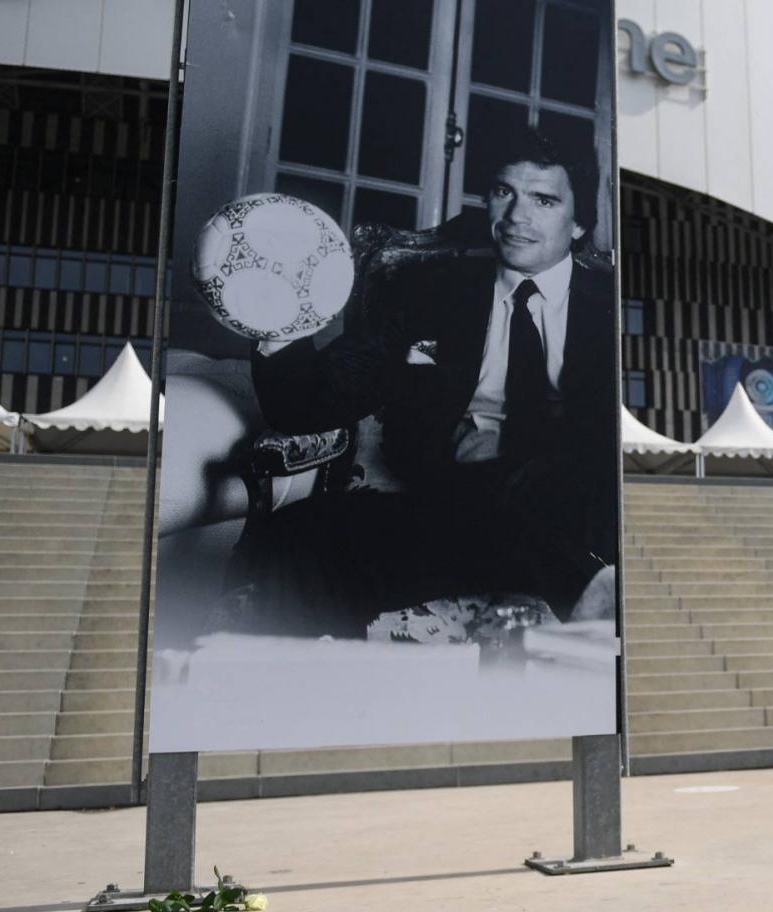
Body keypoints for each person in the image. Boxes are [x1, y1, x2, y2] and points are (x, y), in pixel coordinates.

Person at [237, 129, 618, 639]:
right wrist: (279, 323)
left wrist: (522, 453)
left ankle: (594, 586)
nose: (516, 218)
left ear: (579, 224)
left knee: (533, 479)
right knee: (297, 537)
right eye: (505, 192)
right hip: (453, 513)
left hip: (570, 515)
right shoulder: (430, 293)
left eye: (544, 200)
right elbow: (314, 405)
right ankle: (322, 703)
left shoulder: (614, 309)